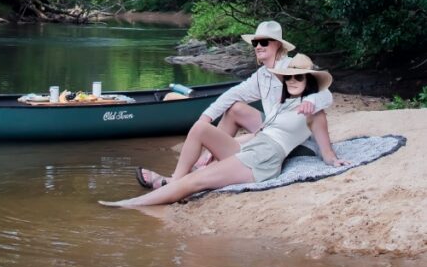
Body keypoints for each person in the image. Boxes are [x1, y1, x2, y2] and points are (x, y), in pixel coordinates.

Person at [100, 54, 348, 208]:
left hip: (264, 157)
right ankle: (173, 181)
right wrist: (210, 116)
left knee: (195, 181)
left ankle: (131, 204)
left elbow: (326, 149)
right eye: (289, 78)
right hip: (253, 146)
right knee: (200, 128)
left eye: (299, 78)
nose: (292, 82)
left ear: (310, 81)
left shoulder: (315, 110)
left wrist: (334, 161)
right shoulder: (282, 101)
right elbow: (237, 101)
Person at [138, 19, 333, 189]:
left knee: (233, 130)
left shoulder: (292, 68)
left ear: (277, 45)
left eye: (263, 42)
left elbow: (325, 95)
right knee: (234, 108)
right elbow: (232, 94)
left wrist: (310, 100)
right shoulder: (262, 75)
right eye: (255, 42)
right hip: (271, 131)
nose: (258, 46)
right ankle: (198, 165)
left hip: (296, 141)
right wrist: (206, 117)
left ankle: (184, 176)